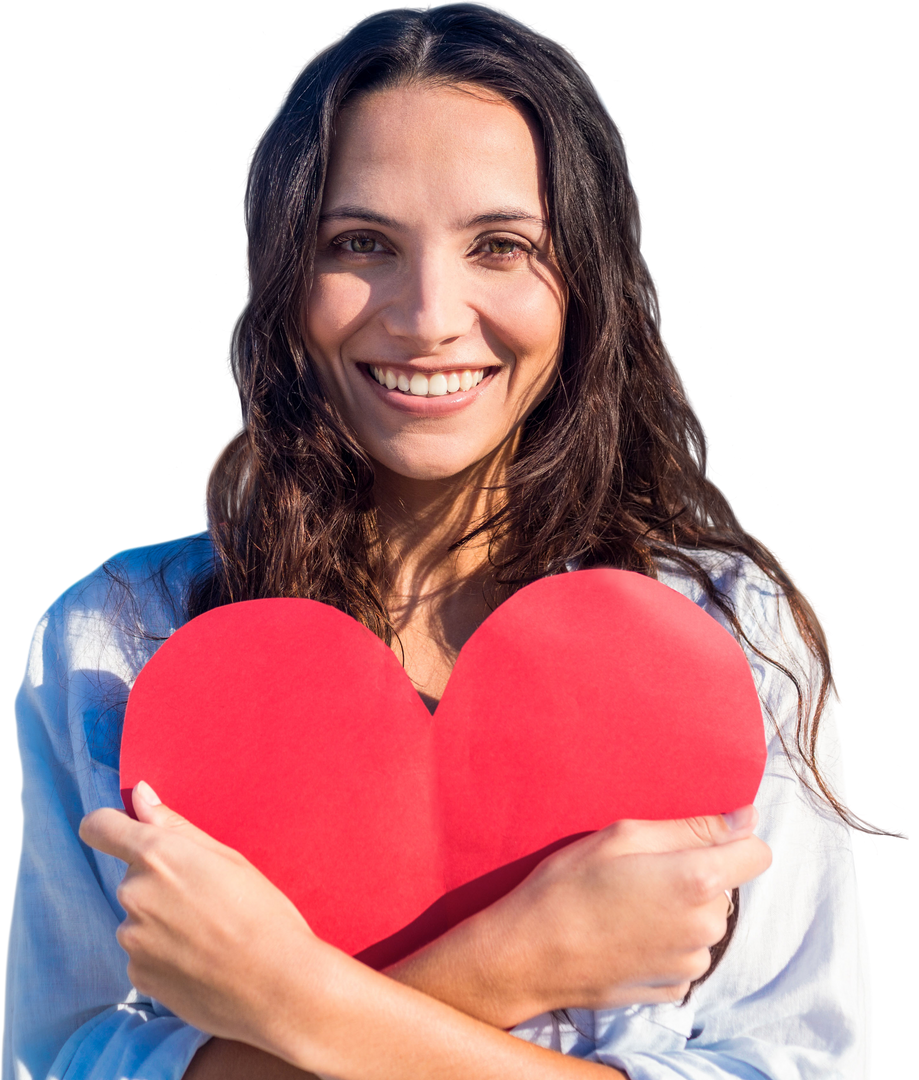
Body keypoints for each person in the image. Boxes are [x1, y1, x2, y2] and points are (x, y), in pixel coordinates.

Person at [5, 3, 873, 1077]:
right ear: (280, 275)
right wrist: (517, 964)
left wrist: (283, 1001)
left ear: (587, 284)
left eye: (500, 246)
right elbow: (55, 1061)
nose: (427, 316)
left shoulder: (729, 638)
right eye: (359, 244)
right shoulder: (107, 646)